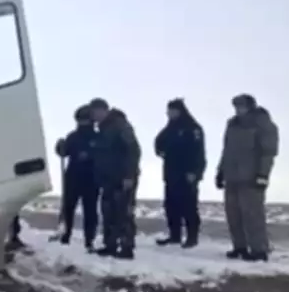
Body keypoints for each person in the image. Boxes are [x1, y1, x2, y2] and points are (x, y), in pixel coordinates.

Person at [215, 94, 280, 262]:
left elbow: (268, 152)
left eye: (241, 106)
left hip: (251, 177)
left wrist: (262, 175)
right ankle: (240, 247)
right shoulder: (232, 124)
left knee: (253, 214)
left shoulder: (263, 124)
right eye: (236, 106)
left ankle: (259, 249)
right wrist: (221, 171)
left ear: (250, 106)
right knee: (233, 214)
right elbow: (227, 150)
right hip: (232, 176)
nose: (238, 110)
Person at [88, 98, 141, 259]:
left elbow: (133, 150)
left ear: (103, 110)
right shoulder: (103, 130)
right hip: (108, 179)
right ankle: (110, 244)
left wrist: (129, 175)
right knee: (108, 212)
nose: (93, 116)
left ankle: (127, 246)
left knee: (124, 212)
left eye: (95, 112)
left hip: (122, 177)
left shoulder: (120, 126)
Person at [153, 98, 207, 248]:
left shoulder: (193, 128)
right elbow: (158, 142)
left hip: (188, 173)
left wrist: (195, 172)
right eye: (168, 111)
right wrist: (160, 151)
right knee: (171, 205)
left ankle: (192, 237)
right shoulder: (170, 129)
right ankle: (174, 235)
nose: (169, 114)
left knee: (189, 206)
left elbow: (199, 153)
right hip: (171, 172)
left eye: (172, 111)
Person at [52, 105, 100, 250]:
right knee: (68, 207)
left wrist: (90, 155)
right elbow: (64, 152)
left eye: (85, 120)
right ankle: (66, 234)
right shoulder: (73, 136)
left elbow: (102, 155)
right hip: (73, 177)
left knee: (90, 210)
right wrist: (59, 147)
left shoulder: (97, 137)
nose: (82, 123)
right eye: (80, 120)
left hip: (91, 178)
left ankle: (89, 239)